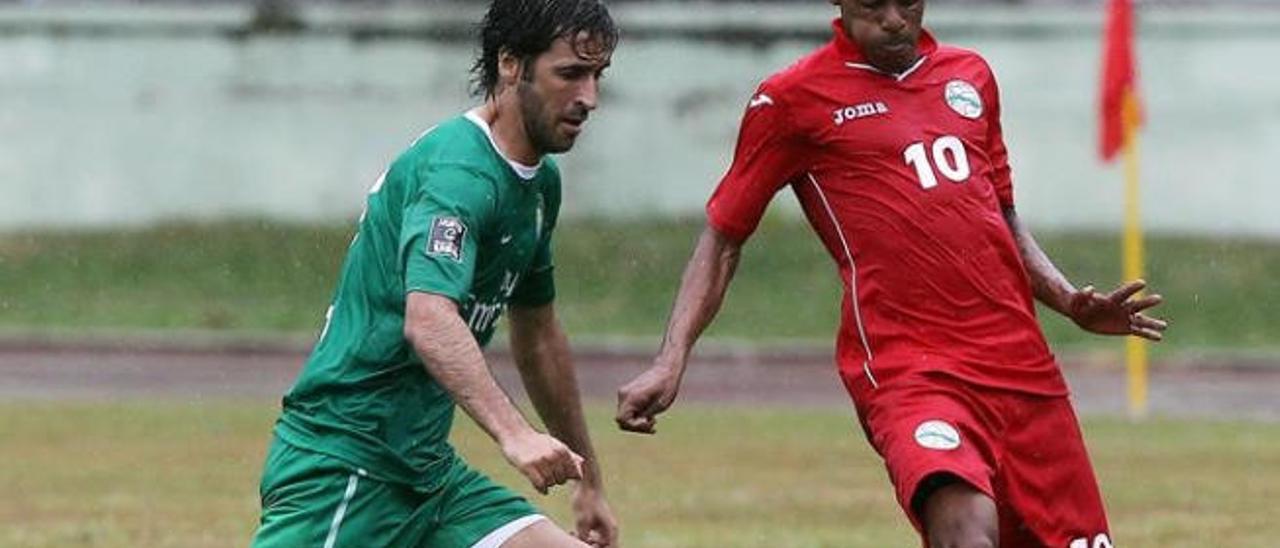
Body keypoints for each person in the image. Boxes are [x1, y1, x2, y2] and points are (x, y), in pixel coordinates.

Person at [615, 1, 1167, 547]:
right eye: (874, 4)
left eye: (908, 1)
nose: (895, 19)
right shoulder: (791, 100)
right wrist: (671, 358)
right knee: (965, 525)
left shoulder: (969, 76)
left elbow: (999, 214)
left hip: (1021, 367)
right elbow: (724, 235)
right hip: (910, 370)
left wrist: (1068, 299)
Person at [250, 1, 619, 546]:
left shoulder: (540, 185)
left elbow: (538, 337)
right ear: (511, 64)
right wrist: (514, 434)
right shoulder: (460, 174)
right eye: (570, 74)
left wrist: (587, 481)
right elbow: (428, 320)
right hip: (346, 465)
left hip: (427, 476)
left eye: (596, 75)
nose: (589, 97)